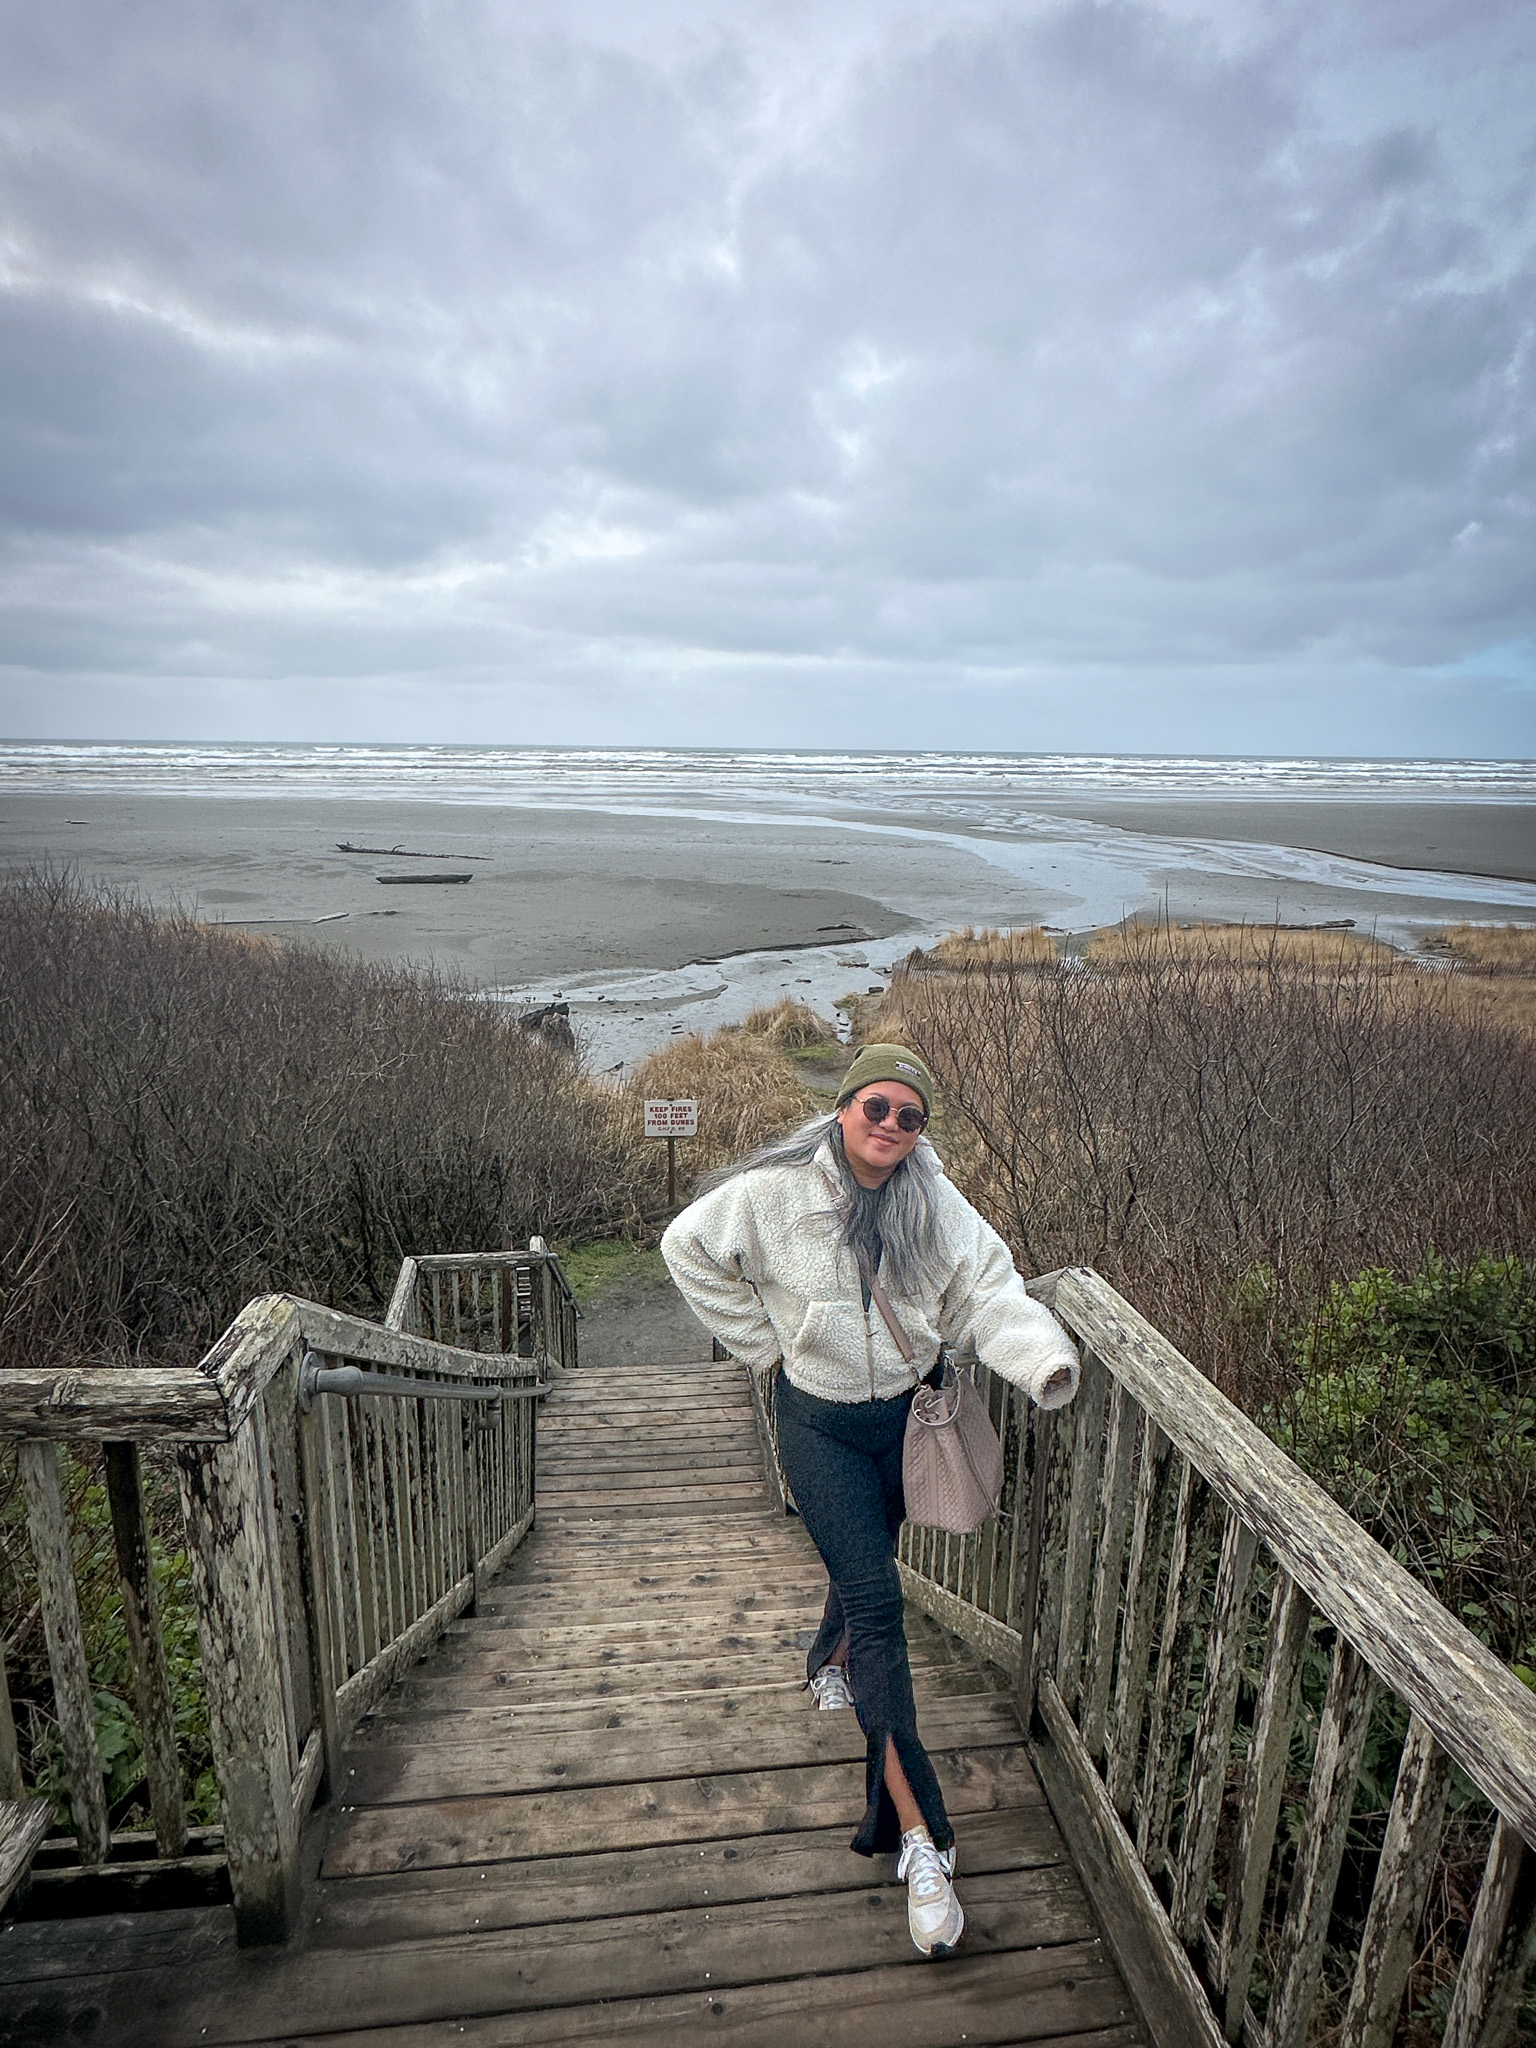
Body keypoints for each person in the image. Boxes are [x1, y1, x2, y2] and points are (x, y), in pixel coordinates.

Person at [661, 1043, 1080, 1958]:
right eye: (876, 1107)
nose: (891, 1126)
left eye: (910, 1116)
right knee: (882, 1609)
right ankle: (920, 1842)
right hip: (818, 1427)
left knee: (863, 1577)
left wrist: (1041, 1360)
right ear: (845, 1107)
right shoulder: (775, 1196)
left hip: (908, 1426)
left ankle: (825, 1659)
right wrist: (766, 1346)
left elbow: (991, 1290)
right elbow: (684, 1247)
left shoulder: (936, 1204)